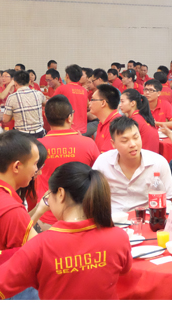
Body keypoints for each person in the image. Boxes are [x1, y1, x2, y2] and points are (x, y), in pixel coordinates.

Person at [0, 162, 132, 300]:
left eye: (49, 195)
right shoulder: (119, 237)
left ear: (60, 194)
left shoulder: (41, 245)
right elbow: (123, 271)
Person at [37, 95, 100, 229]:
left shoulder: (37, 147)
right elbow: (99, 177)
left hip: (48, 216)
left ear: (46, 117)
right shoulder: (88, 144)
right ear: (69, 117)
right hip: (83, 215)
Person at [93, 116, 172, 212]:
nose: (132, 144)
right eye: (125, 141)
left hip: (146, 216)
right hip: (113, 217)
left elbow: (171, 199)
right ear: (113, 144)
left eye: (136, 138)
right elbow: (92, 196)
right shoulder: (103, 162)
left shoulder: (158, 162)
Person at [2, 71, 46, 138]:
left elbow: (6, 119)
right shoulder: (38, 93)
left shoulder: (12, 97)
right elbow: (45, 103)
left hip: (22, 136)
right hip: (39, 133)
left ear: (15, 82)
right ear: (29, 81)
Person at [119, 89, 160, 153]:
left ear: (133, 103)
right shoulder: (141, 116)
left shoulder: (135, 120)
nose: (120, 105)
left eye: (122, 101)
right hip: (151, 154)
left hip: (142, 156)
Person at [52, 64, 88, 134]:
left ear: (67, 76)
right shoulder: (84, 90)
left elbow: (51, 104)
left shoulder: (61, 89)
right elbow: (86, 105)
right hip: (82, 129)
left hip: (68, 128)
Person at [90, 84, 121, 153]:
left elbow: (106, 157)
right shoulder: (102, 122)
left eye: (92, 99)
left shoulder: (116, 125)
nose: (90, 103)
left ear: (103, 103)